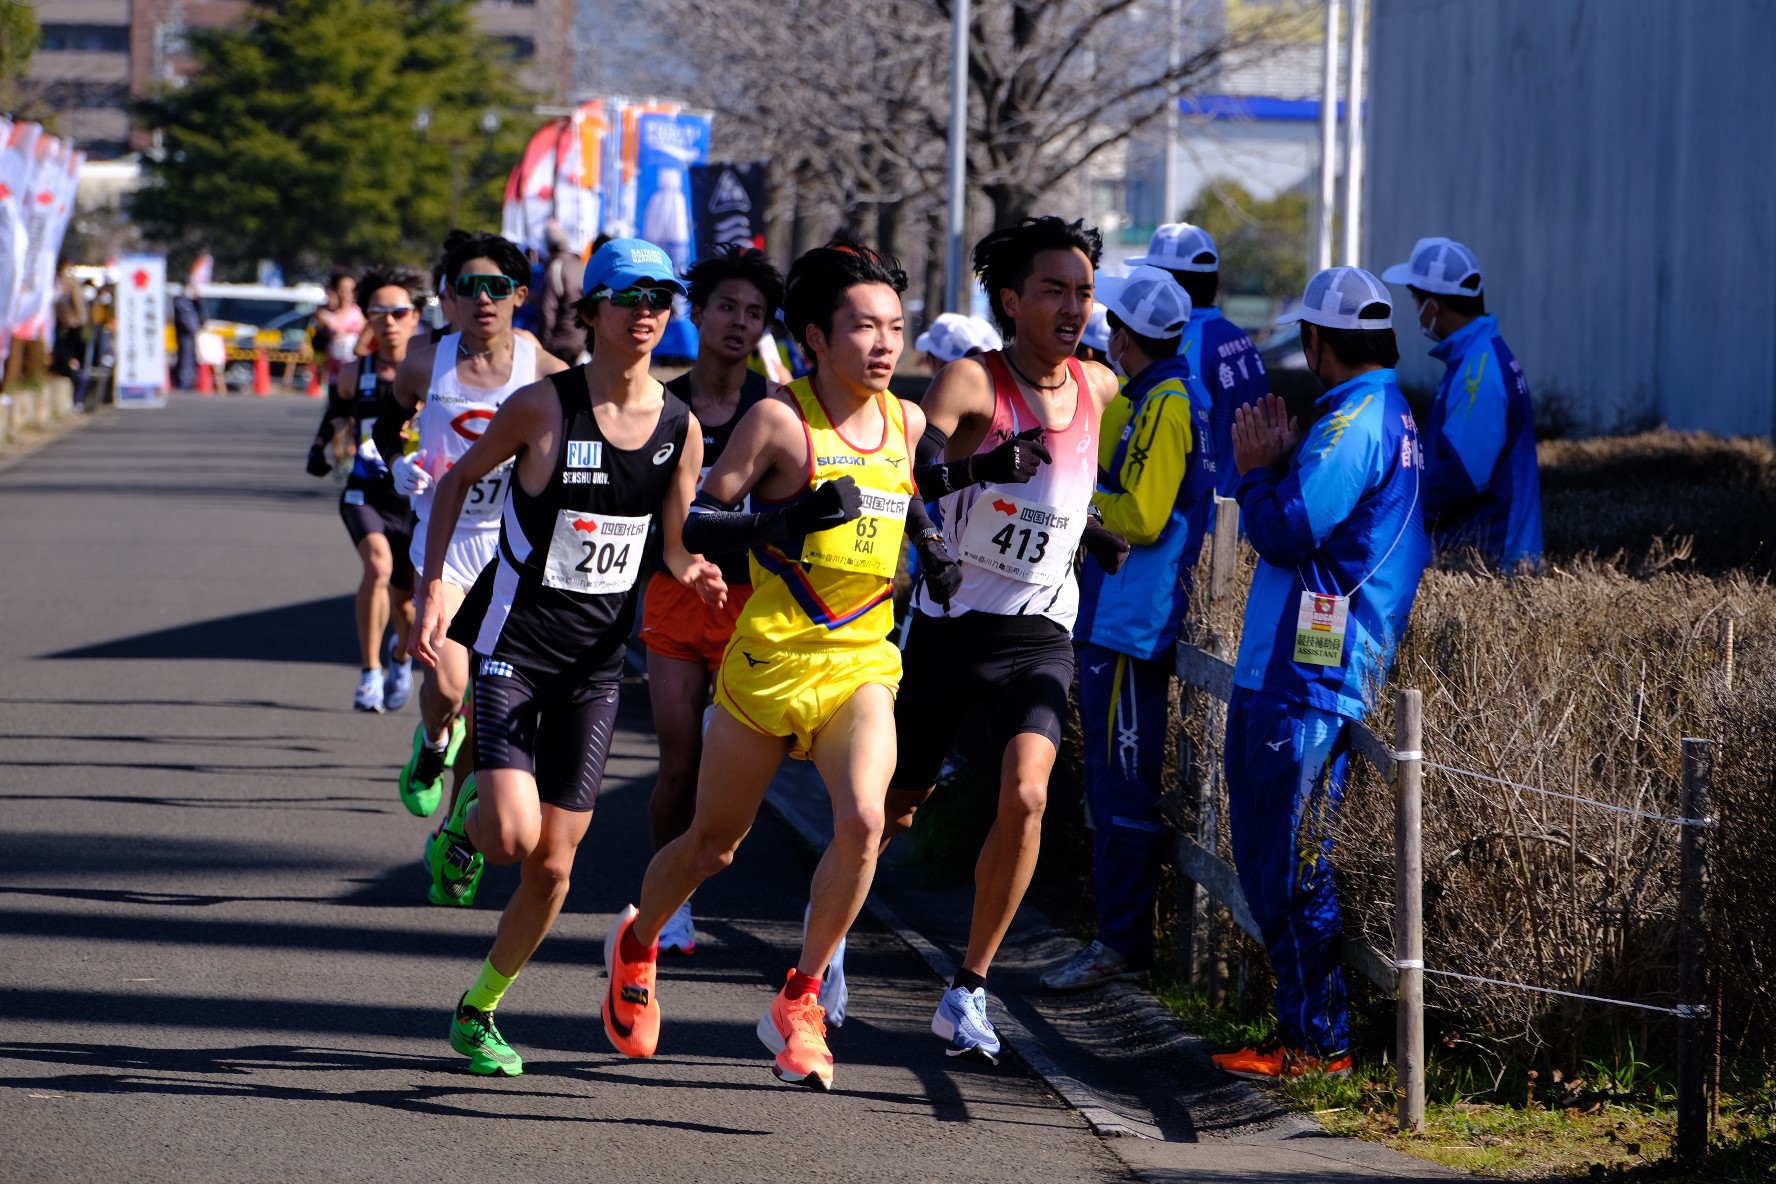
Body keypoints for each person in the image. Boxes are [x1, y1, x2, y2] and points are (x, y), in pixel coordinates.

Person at [602, 237, 926, 1092]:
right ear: (815, 337)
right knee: (713, 847)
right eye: (864, 327)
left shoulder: (909, 420)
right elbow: (701, 523)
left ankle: (803, 996)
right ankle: (635, 946)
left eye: (895, 326)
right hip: (771, 658)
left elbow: (902, 508)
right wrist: (777, 528)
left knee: (862, 817)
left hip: (861, 659)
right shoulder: (781, 419)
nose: (885, 344)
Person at [411, 238, 722, 1076]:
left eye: (662, 296)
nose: (647, 311)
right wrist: (431, 593)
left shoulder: (679, 425)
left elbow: (673, 538)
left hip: (594, 669)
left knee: (554, 867)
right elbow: (450, 485)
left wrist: (692, 567)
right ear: (593, 311)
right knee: (511, 839)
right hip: (513, 646)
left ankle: (480, 1009)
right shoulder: (544, 406)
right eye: (629, 296)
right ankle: (463, 835)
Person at [872, 216, 1127, 1062]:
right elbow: (912, 477)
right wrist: (980, 472)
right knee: (892, 810)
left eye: (1084, 291)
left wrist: (1091, 532)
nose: (1073, 306)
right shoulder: (972, 382)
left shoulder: (1098, 387)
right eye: (1053, 289)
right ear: (1011, 300)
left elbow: (1062, 488)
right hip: (951, 628)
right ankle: (825, 952)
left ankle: (970, 987)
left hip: (1040, 634)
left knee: (1027, 794)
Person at [1211, 267, 1429, 1081]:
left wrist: (1260, 466)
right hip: (1302, 669)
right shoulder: (1380, 409)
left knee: (1287, 861)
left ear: (1315, 342)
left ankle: (1317, 1044)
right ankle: (1304, 1034)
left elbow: (1289, 526)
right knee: (1275, 853)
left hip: (1307, 676)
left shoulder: (1358, 416)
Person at [1043, 266, 1217, 991]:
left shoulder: (1169, 402)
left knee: (1123, 789)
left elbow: (1141, 517)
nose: (1101, 328)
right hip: (1112, 613)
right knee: (1112, 789)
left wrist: (1072, 503)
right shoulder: (1151, 394)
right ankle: (1116, 938)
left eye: (1111, 319)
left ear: (1129, 333)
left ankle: (1121, 944)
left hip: (1131, 620)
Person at [386, 233, 566, 849]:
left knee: (482, 704)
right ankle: (432, 746)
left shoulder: (543, 370)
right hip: (443, 543)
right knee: (446, 685)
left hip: (508, 549)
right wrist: (396, 464)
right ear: (449, 299)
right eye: (469, 288)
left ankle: (454, 833)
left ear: (520, 295)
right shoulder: (422, 361)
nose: (483, 300)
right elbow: (387, 427)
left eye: (497, 288)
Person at [639, 245, 785, 954]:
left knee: (731, 770)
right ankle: (666, 904)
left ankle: (692, 876)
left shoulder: (776, 409)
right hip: (673, 596)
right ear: (697, 313)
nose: (737, 321)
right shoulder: (663, 404)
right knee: (677, 761)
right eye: (725, 306)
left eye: (753, 312)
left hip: (754, 605)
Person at [305, 267, 429, 713]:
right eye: (379, 312)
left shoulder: (435, 369)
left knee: (408, 608)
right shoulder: (357, 371)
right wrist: (320, 449)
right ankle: (370, 672)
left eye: (399, 312)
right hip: (366, 489)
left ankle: (399, 656)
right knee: (376, 567)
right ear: (368, 318)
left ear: (416, 316)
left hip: (416, 499)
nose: (390, 321)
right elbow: (336, 415)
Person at [1381, 236, 1542, 567]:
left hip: (1490, 563)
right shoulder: (1479, 357)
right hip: (1490, 557)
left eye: (1415, 301)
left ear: (1433, 307)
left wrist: (1394, 522)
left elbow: (1460, 477)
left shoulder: (1478, 372)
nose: (1417, 313)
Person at [1128, 223, 1270, 499]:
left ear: (1168, 284)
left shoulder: (1181, 347)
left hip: (1204, 525)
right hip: (1245, 512)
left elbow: (1171, 440)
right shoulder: (1236, 336)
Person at [537, 225, 589, 365]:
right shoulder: (582, 266)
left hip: (560, 345)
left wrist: (544, 344)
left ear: (549, 247)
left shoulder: (555, 268)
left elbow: (547, 311)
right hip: (583, 344)